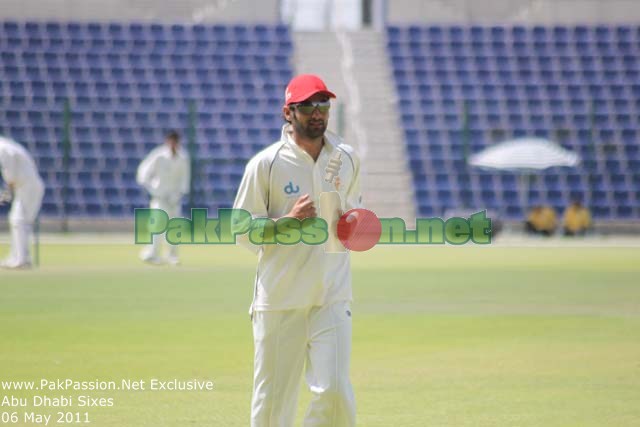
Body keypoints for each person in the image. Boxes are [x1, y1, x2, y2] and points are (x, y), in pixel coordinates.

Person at [232, 74, 362, 427]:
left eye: (323, 105)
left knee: (335, 393)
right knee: (273, 404)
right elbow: (242, 231)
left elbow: (350, 220)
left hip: (332, 296)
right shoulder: (266, 163)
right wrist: (288, 221)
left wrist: (353, 226)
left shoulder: (348, 159)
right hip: (280, 300)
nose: (318, 113)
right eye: (308, 107)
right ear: (288, 113)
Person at [136, 130, 190, 265]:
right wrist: (152, 188)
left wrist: (180, 194)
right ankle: (152, 253)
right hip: (159, 197)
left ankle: (172, 255)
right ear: (167, 141)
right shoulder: (159, 155)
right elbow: (143, 172)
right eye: (171, 141)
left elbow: (185, 178)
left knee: (174, 227)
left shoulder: (183, 157)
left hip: (174, 199)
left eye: (176, 142)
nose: (173, 144)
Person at [0, 135, 45, 269]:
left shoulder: (2, 147)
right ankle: (18, 257)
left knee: (19, 221)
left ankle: (21, 259)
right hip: (25, 186)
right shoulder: (7, 145)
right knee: (18, 221)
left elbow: (9, 170)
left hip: (28, 186)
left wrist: (7, 189)